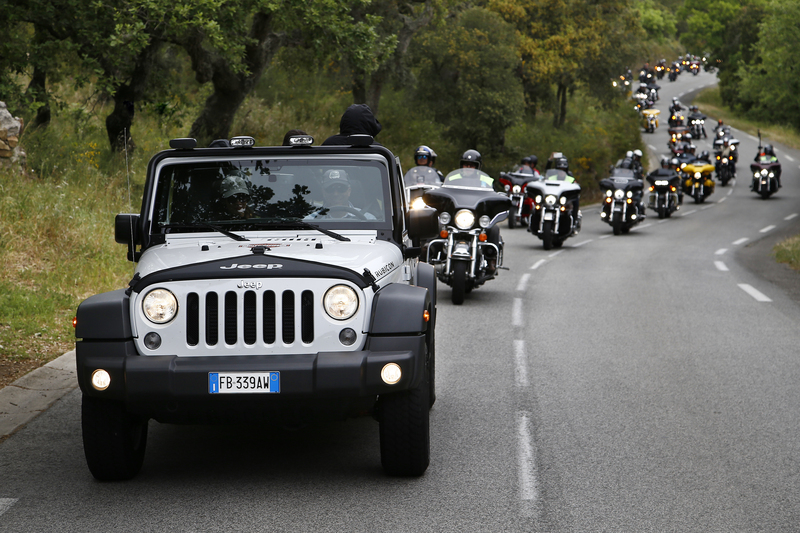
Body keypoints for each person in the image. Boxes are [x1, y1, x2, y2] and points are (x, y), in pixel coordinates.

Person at [307, 169, 377, 219]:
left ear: (349, 191)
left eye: (341, 188)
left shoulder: (368, 219)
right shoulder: (310, 221)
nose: (336, 194)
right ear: (323, 192)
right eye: (330, 189)